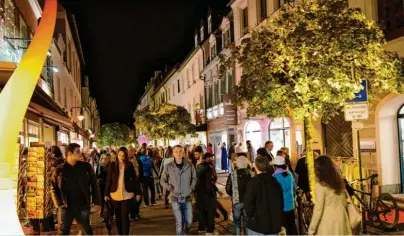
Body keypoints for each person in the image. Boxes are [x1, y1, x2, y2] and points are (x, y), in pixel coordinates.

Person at [50, 143, 101, 235]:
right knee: (64, 231)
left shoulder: (86, 167)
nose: (80, 153)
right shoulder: (60, 169)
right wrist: (58, 203)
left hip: (83, 205)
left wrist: (97, 202)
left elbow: (94, 185)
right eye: (77, 152)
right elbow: (53, 187)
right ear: (69, 153)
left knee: (87, 230)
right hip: (66, 206)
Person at [308, 155, 352, 235]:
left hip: (328, 222)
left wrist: (312, 229)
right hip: (342, 219)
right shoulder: (339, 182)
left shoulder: (321, 186)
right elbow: (344, 203)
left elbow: (318, 209)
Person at [104, 147, 142, 235]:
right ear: (117, 155)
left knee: (125, 217)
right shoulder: (112, 165)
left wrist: (138, 193)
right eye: (120, 155)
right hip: (115, 195)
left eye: (123, 155)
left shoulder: (129, 165)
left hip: (127, 194)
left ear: (126, 156)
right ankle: (120, 233)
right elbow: (109, 180)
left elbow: (135, 180)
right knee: (118, 218)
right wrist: (106, 194)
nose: (121, 157)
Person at [160, 145, 197, 235]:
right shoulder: (169, 166)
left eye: (180, 151)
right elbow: (162, 180)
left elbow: (194, 178)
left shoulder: (189, 165)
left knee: (189, 221)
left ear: (183, 152)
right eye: (176, 151)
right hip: (175, 197)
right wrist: (169, 188)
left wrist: (191, 188)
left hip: (187, 196)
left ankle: (186, 229)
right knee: (179, 222)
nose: (178, 153)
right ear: (173, 153)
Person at [244, 156, 283, 235]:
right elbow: (280, 202)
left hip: (257, 225)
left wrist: (251, 216)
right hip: (273, 224)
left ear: (255, 166)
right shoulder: (275, 182)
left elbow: (248, 203)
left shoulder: (253, 183)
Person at [225, 156, 252, 235]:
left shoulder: (233, 174)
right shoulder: (251, 173)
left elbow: (227, 188)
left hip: (237, 201)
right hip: (248, 202)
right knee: (247, 222)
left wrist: (233, 195)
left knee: (237, 223)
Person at [272, 156, 297, 235]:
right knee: (292, 226)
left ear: (275, 166)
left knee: (283, 229)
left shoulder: (275, 177)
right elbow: (294, 188)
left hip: (281, 207)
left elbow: (274, 194)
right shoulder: (289, 174)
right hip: (290, 205)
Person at [195, 152, 218, 234]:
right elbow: (212, 180)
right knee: (210, 211)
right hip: (209, 192)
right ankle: (210, 230)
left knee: (201, 210)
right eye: (211, 158)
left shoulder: (198, 166)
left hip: (199, 192)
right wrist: (214, 190)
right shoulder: (210, 167)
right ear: (208, 158)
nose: (213, 159)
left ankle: (201, 227)